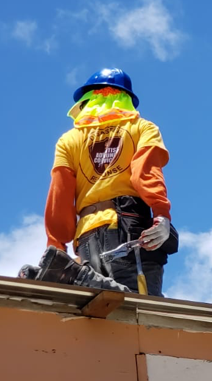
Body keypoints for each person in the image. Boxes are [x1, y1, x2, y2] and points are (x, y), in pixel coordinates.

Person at [21, 68, 177, 296]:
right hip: (130, 228)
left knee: (100, 309)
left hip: (87, 235)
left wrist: (56, 246)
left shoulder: (69, 140)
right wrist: (162, 214)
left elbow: (60, 194)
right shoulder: (143, 128)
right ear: (125, 99)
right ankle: (77, 276)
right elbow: (144, 174)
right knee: (142, 306)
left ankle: (69, 273)